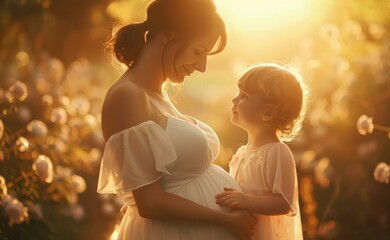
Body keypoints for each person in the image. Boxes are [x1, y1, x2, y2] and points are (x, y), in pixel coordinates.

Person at [96, 0, 256, 239]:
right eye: (198, 51)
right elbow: (149, 202)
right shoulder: (127, 96)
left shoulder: (156, 93)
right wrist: (226, 219)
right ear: (167, 36)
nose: (202, 67)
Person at [215, 64, 306, 240]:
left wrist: (244, 200)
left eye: (244, 96)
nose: (234, 100)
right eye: (238, 93)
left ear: (268, 111)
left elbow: (283, 203)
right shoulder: (242, 152)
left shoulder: (277, 152)